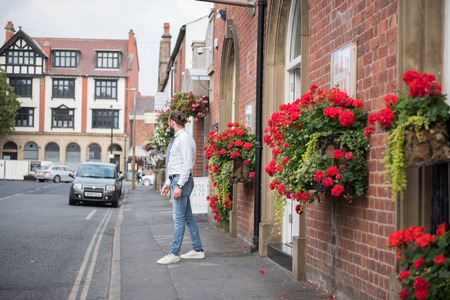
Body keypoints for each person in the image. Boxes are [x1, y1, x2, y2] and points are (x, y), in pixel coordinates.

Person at [157, 111, 205, 264]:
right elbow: (174, 163)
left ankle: (174, 253)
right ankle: (197, 250)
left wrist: (178, 185)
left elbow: (187, 163)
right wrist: (167, 183)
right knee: (188, 217)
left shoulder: (184, 138)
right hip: (177, 179)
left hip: (181, 181)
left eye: (168, 121)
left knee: (178, 220)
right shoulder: (179, 138)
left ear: (172, 122)